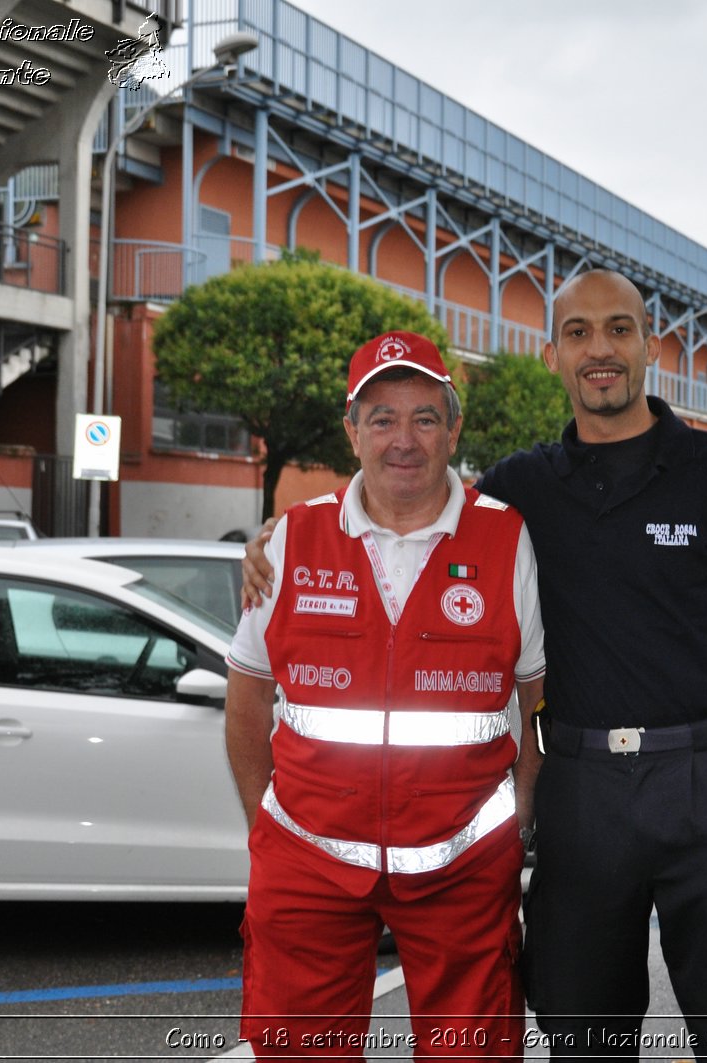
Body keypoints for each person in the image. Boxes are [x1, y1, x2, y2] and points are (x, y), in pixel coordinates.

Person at [243, 270, 707, 1060]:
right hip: (581, 799)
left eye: (619, 329)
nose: (600, 350)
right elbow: (407, 491)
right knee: (582, 1040)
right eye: (578, 333)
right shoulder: (519, 491)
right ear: (552, 355)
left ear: (650, 346)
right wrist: (283, 531)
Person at [223, 331, 546, 1060]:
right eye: (382, 418)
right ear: (352, 430)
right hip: (307, 861)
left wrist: (518, 818)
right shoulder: (291, 541)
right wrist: (265, 830)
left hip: (461, 865)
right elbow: (247, 694)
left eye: (425, 417)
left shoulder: (505, 539)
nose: (405, 440)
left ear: (454, 429)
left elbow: (538, 700)